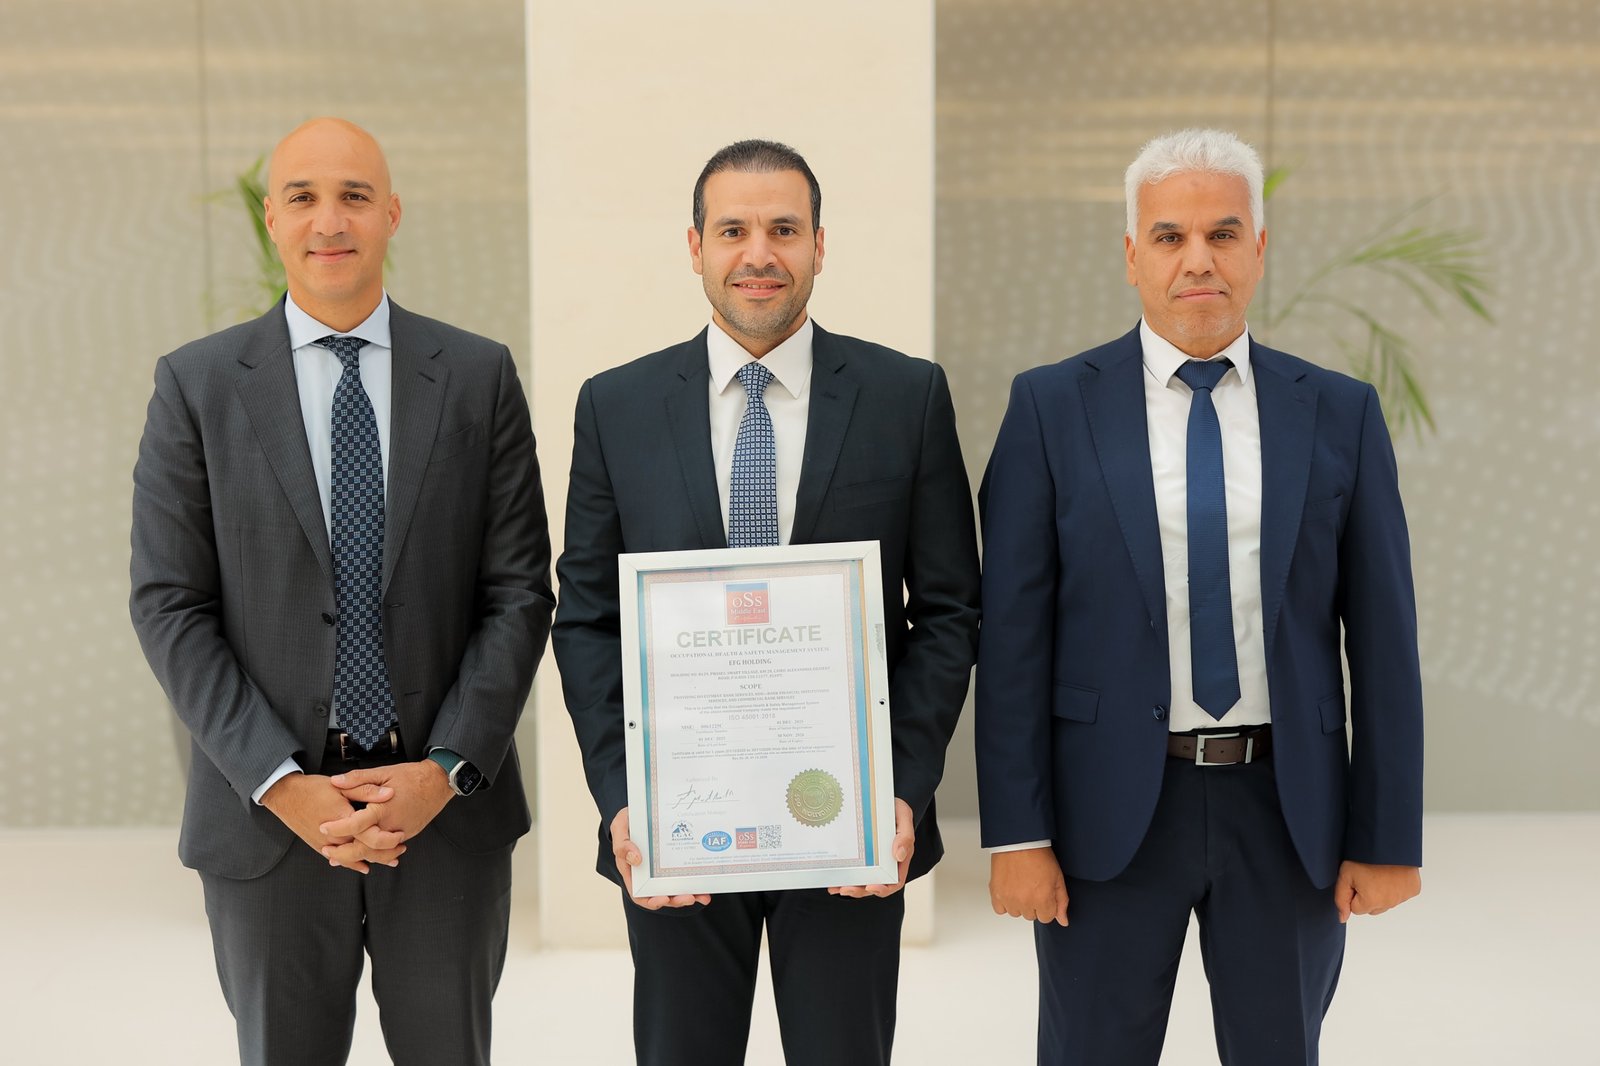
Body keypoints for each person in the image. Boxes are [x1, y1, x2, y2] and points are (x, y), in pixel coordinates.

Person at [975, 128, 1424, 1065]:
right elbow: (1013, 638)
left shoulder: (1338, 412)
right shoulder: (1051, 408)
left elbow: (1385, 642)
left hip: (1287, 808)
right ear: (1131, 255)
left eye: (1222, 234)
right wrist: (1016, 834)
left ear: (1258, 248)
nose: (1198, 260)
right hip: (1105, 813)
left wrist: (1387, 836)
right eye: (1170, 237)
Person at [129, 117, 553, 1066]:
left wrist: (444, 769)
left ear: (392, 214)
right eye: (304, 198)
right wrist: (280, 783)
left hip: (442, 818)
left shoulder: (476, 376)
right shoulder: (197, 386)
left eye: (355, 197)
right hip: (270, 826)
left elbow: (520, 591)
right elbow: (169, 604)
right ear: (272, 221)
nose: (331, 221)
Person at [551, 138, 980, 1066]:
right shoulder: (616, 407)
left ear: (820, 244)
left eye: (784, 229)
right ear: (694, 246)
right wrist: (626, 800)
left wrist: (900, 789)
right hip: (678, 826)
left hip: (849, 828)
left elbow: (948, 612)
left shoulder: (905, 397)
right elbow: (585, 619)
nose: (759, 253)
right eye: (733, 230)